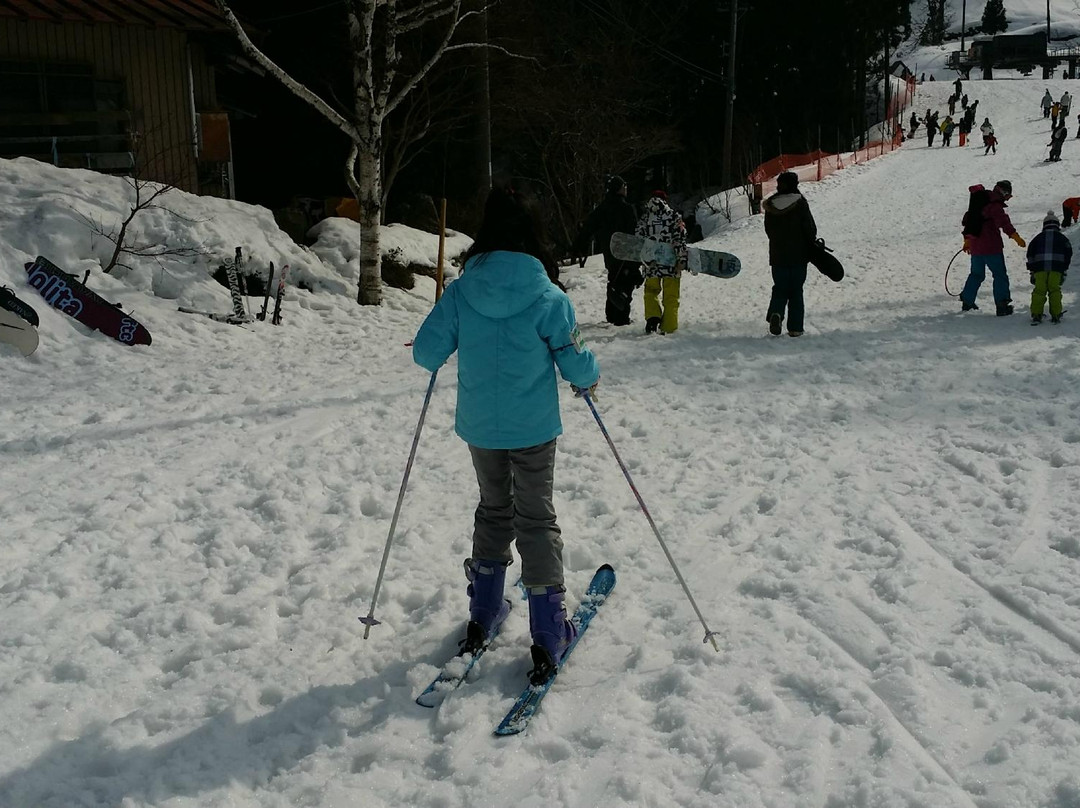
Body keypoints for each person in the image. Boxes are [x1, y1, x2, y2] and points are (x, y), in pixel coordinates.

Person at [411, 185, 600, 678]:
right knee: (535, 518)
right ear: (533, 232)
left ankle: (484, 610)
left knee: (494, 510)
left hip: (481, 427)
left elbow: (425, 353)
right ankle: (547, 630)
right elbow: (575, 359)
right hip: (534, 428)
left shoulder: (462, 290)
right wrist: (588, 378)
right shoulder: (548, 296)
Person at [573, 175, 641, 326]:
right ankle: (621, 319)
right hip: (626, 254)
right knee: (625, 284)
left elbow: (587, 228)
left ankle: (611, 316)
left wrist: (577, 246)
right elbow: (634, 236)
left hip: (609, 254)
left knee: (614, 280)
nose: (626, 189)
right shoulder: (627, 209)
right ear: (619, 189)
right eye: (624, 187)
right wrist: (636, 262)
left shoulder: (601, 209)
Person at [959, 180, 1025, 315]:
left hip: (976, 246)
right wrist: (1015, 236)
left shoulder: (978, 202)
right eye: (1008, 195)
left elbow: (968, 220)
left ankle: (967, 301)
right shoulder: (994, 205)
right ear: (1003, 192)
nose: (1008, 198)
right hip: (991, 247)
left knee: (976, 274)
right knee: (999, 275)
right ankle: (1002, 305)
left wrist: (967, 240)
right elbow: (1004, 222)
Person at [763, 171, 817, 337]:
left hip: (778, 256)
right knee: (796, 290)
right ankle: (795, 328)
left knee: (780, 287)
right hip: (799, 256)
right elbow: (810, 229)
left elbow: (769, 230)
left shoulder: (771, 204)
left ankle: (776, 313)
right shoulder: (800, 203)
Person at [636, 189, 688, 334]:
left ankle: (653, 318)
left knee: (651, 292)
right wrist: (681, 259)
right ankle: (669, 327)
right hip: (670, 264)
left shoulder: (645, 218)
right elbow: (679, 239)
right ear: (665, 200)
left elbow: (638, 239)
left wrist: (644, 258)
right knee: (671, 297)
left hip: (650, 264)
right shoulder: (673, 216)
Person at [1026, 210, 1072, 324]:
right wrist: (1064, 268)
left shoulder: (1037, 238)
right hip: (1056, 269)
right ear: (1057, 225)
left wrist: (1032, 270)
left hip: (1039, 269)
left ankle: (1037, 314)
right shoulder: (1062, 238)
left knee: (1039, 291)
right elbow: (1068, 253)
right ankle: (1056, 314)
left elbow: (1030, 253)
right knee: (1054, 290)